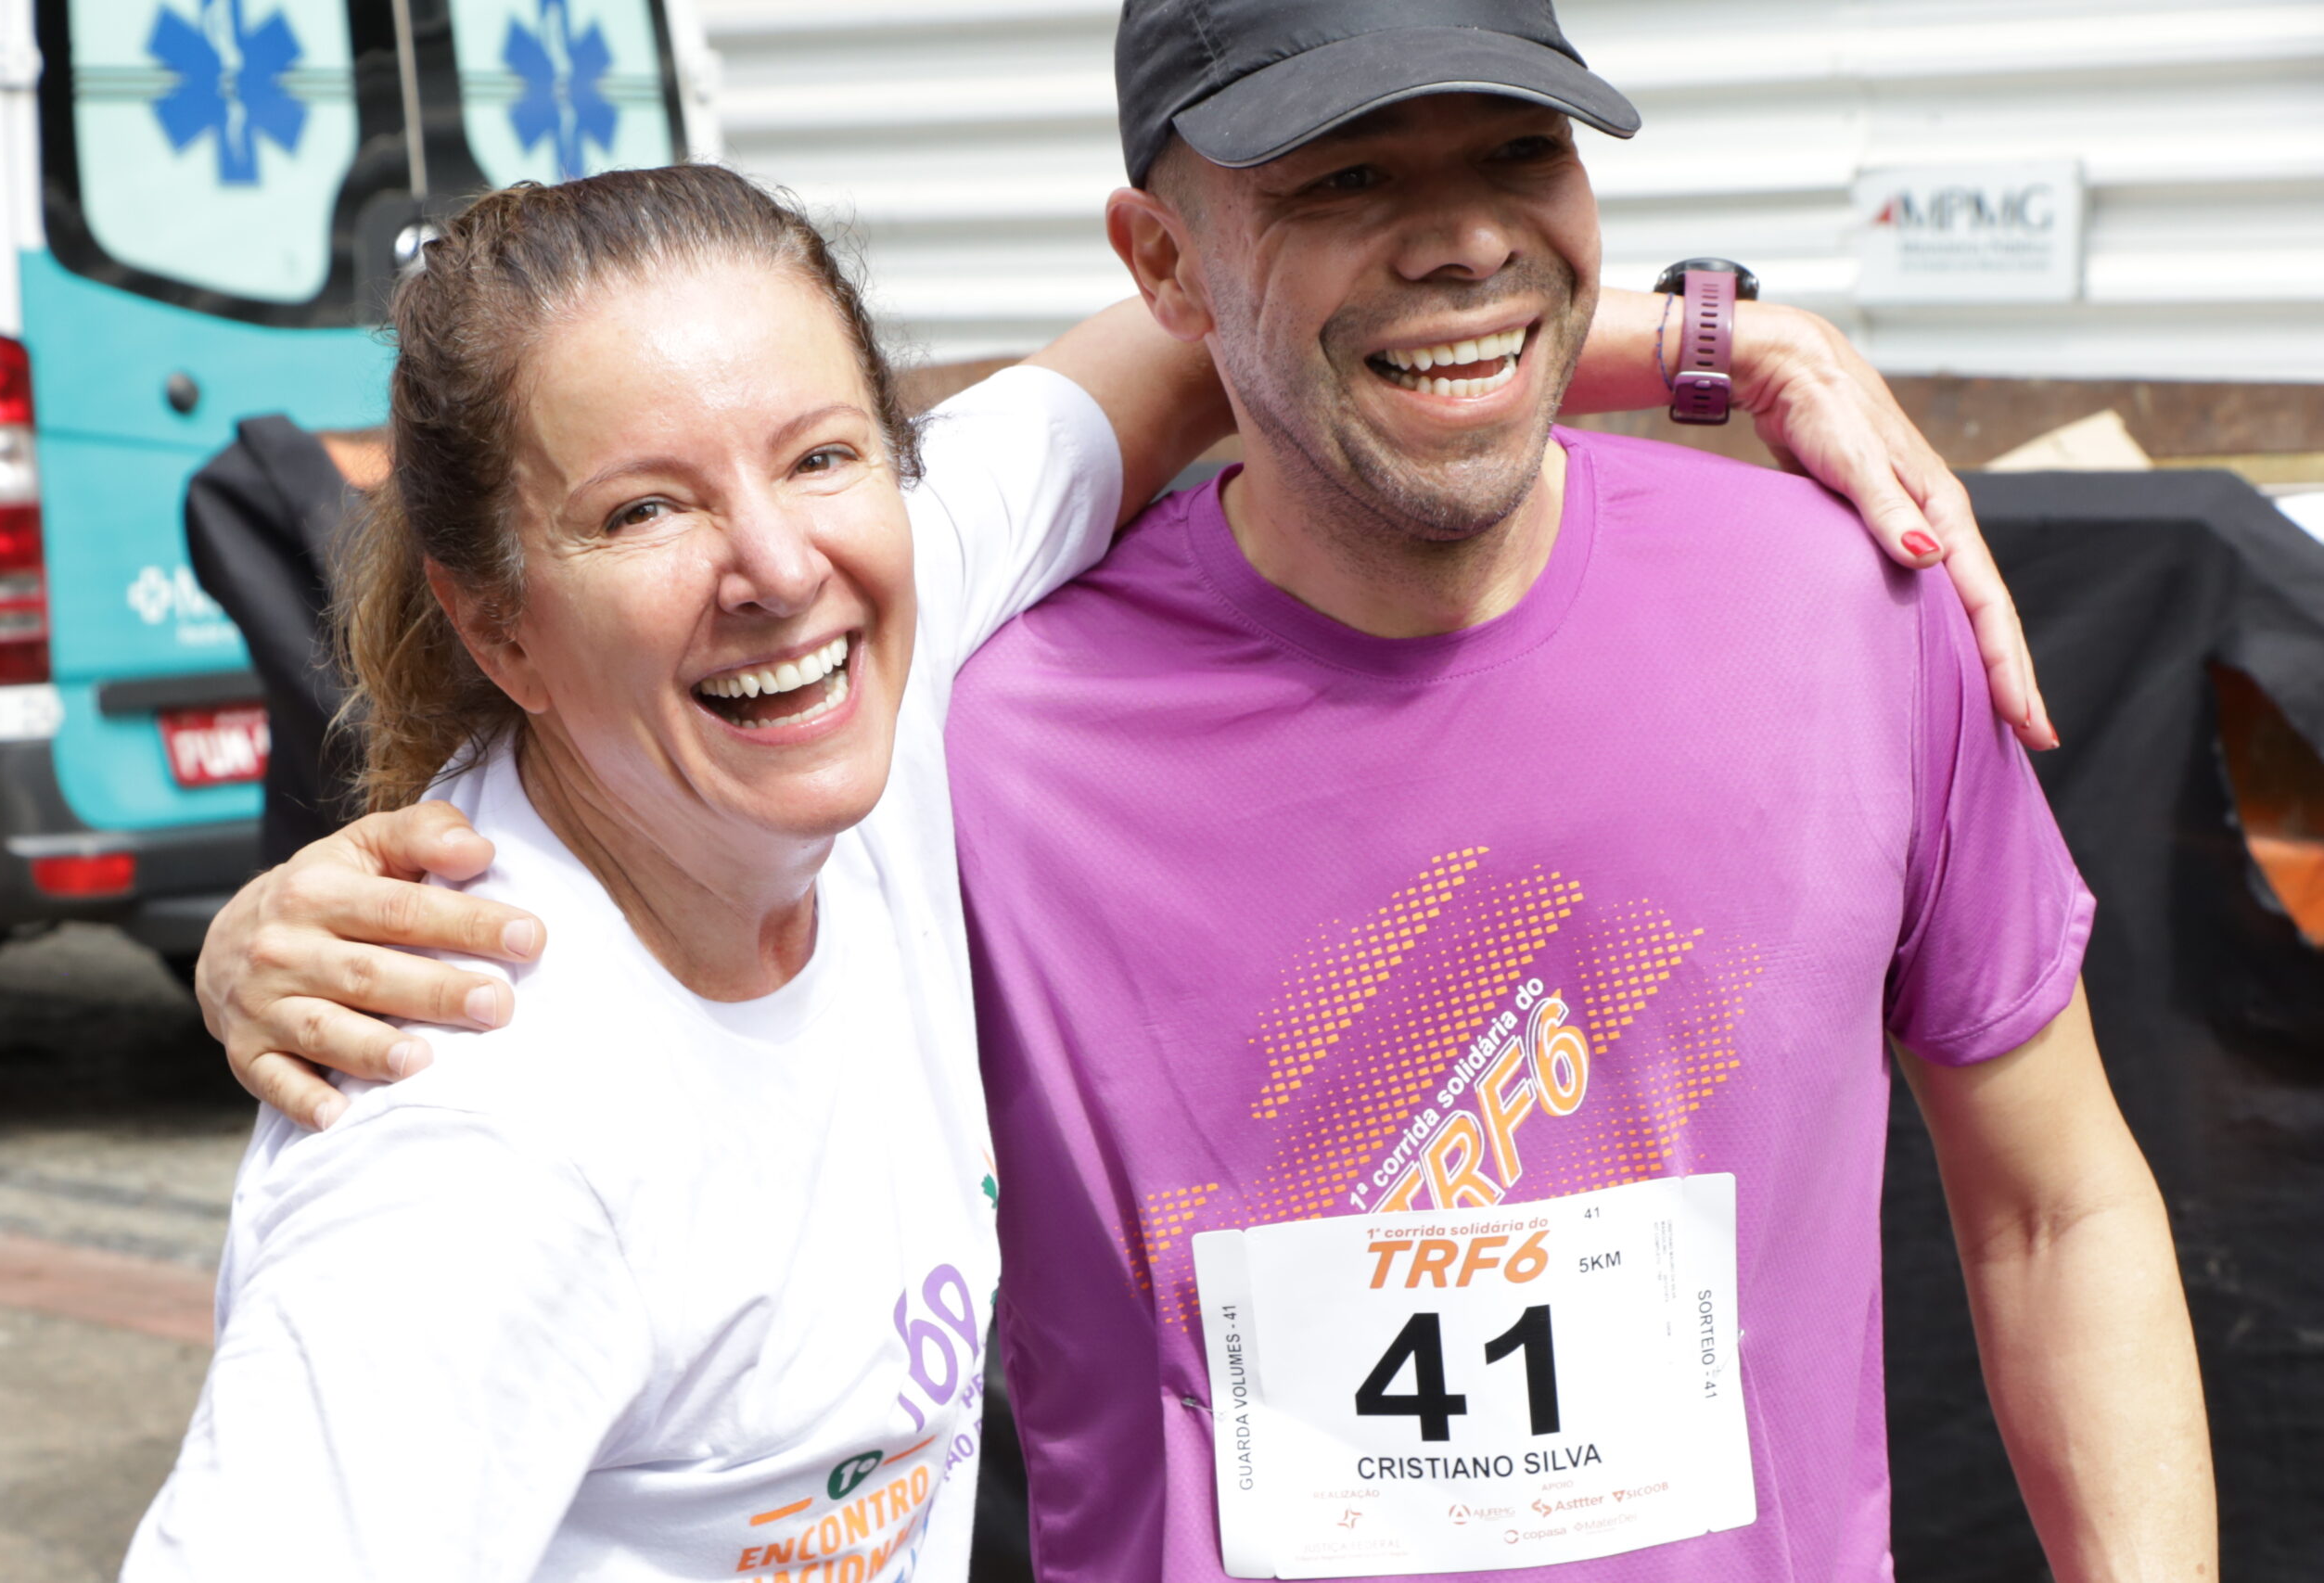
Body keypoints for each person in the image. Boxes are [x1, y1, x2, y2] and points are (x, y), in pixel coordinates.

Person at [181, 13, 2192, 1583]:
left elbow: (2054, 1203)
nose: (1458, 223)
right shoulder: (944, 727)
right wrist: (288, 936)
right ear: (1161, 255)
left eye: (1515, 150)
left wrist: (1702, 328)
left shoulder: (1842, 603)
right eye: (1336, 175)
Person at [124, 164, 1234, 1578]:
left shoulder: (850, 688)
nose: (777, 565)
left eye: (823, 455)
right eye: (645, 512)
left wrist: (1598, 316)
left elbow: (1200, 328)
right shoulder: (483, 1148)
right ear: (498, 627)